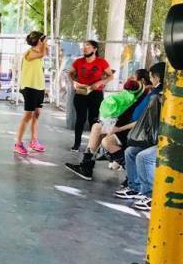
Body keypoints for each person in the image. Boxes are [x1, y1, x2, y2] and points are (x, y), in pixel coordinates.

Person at [65, 79, 145, 181]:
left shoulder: (144, 99)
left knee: (106, 139)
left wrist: (118, 128)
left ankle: (132, 175)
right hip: (124, 128)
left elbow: (140, 122)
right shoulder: (137, 98)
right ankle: (86, 166)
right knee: (96, 127)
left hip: (131, 131)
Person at [115, 62, 165, 211]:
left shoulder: (159, 95)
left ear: (156, 77)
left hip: (168, 141)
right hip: (158, 137)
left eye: (152, 77)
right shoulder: (155, 93)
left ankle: (150, 195)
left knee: (144, 157)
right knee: (130, 152)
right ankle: (135, 188)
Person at [69, 40, 114, 151]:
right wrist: (74, 82)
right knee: (80, 119)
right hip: (81, 93)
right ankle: (77, 144)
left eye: (88, 46)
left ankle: (92, 146)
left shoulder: (101, 62)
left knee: (93, 120)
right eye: (84, 46)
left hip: (96, 93)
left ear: (95, 49)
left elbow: (111, 76)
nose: (85, 48)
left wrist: (99, 83)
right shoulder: (78, 62)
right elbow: (70, 73)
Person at [14, 31, 48, 155]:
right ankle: (18, 143)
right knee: (28, 115)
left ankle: (33, 141)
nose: (45, 42)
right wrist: (43, 43)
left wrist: (44, 43)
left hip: (39, 87)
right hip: (29, 87)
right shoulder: (30, 53)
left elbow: (44, 53)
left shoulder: (39, 52)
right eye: (43, 40)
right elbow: (42, 53)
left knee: (37, 113)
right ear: (39, 41)